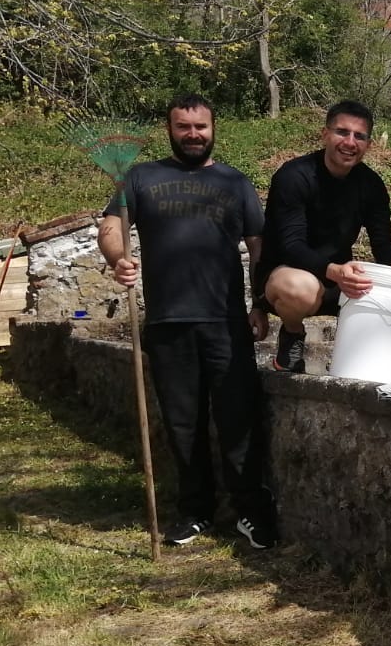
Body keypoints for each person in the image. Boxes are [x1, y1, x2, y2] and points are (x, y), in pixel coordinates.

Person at [99, 92, 278, 549]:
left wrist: (260, 302)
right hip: (166, 322)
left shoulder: (236, 183)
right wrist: (119, 259)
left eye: (200, 127)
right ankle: (195, 512)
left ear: (213, 128)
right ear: (170, 129)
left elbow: (259, 248)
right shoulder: (140, 177)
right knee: (183, 422)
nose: (193, 134)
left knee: (238, 417)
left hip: (225, 321)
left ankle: (249, 512)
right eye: (184, 127)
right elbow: (110, 227)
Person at [252, 100, 391, 375]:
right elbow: (291, 245)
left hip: (336, 279)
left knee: (387, 289)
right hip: (286, 274)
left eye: (359, 136)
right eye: (342, 132)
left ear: (369, 144)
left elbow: (383, 246)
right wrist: (334, 271)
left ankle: (360, 361)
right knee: (302, 288)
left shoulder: (371, 185)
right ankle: (292, 334)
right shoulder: (294, 176)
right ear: (325, 135)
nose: (350, 142)